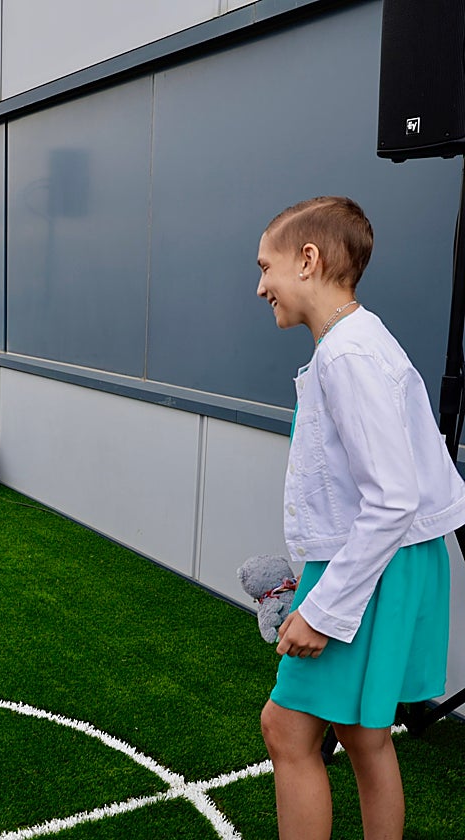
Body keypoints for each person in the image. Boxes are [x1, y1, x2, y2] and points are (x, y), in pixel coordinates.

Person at [255, 196, 465, 840]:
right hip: (387, 563)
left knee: (286, 728)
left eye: (266, 267)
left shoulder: (348, 354)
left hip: (373, 566)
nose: (261, 286)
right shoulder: (357, 343)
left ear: (308, 260)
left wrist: (323, 610)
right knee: (361, 731)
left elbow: (393, 499)